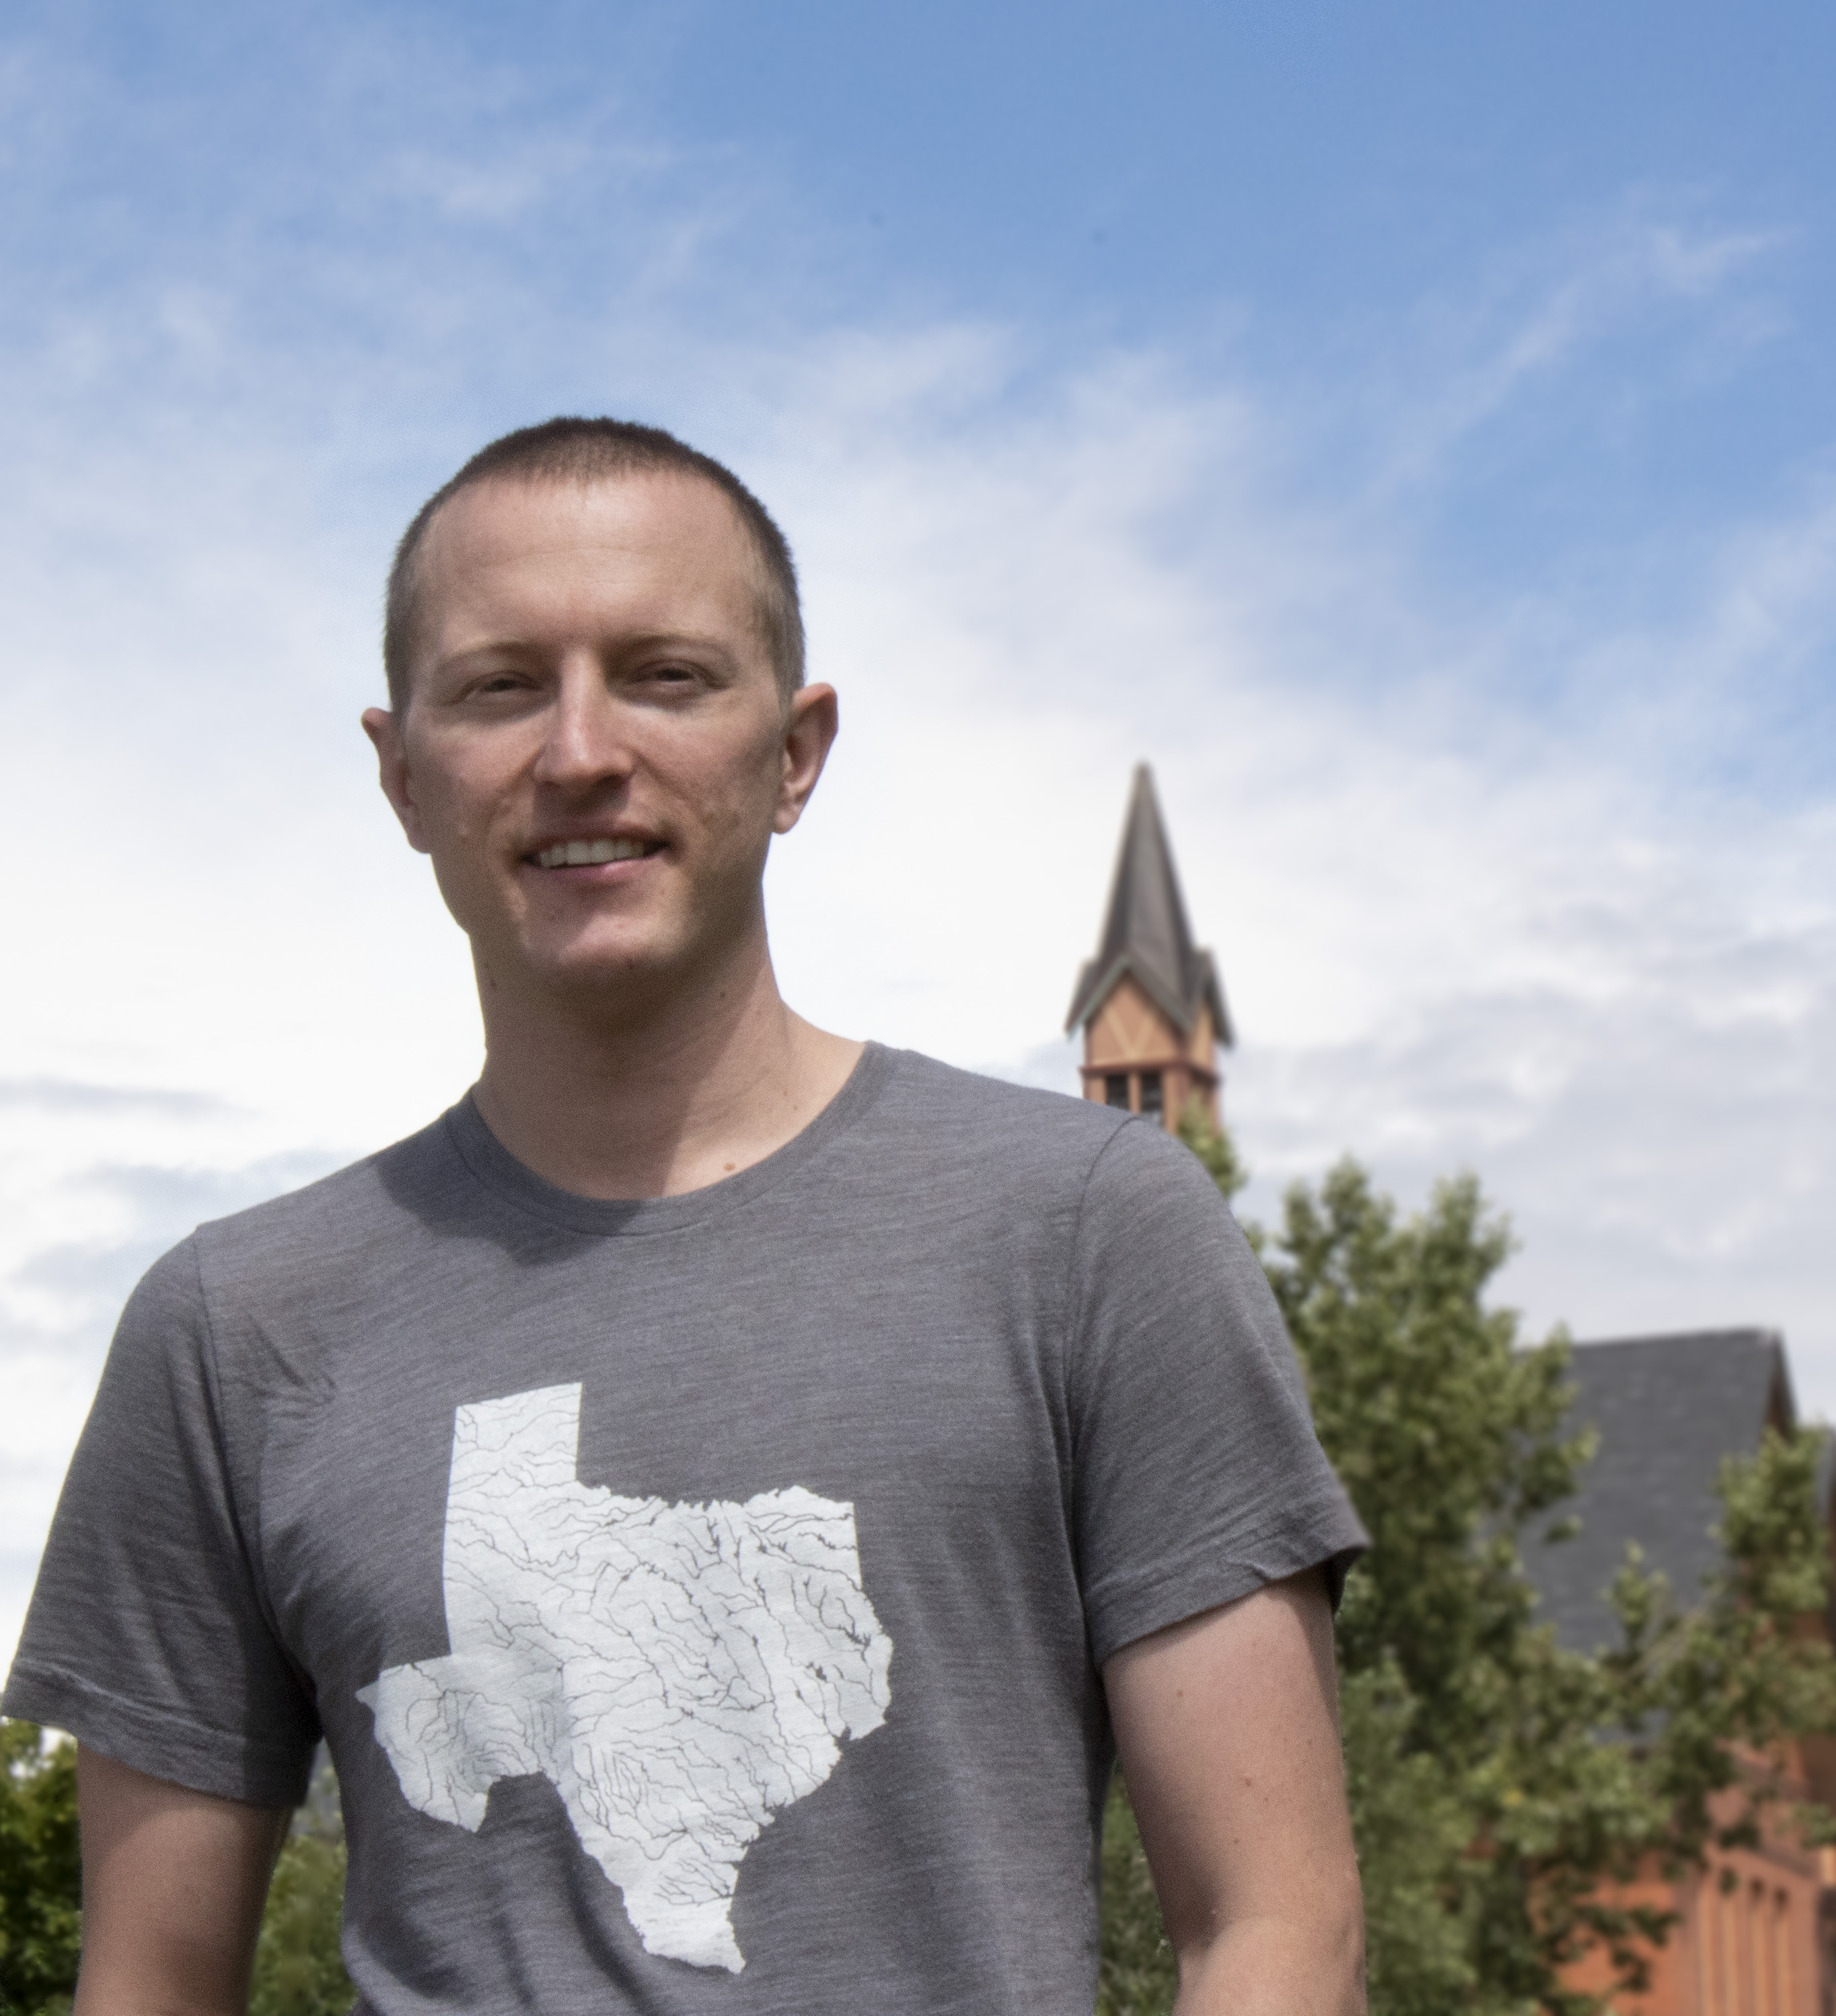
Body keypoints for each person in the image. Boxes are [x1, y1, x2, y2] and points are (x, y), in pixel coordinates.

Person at [5, 418, 1369, 2015]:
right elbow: (147, 1987)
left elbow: (1274, 1931)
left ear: (793, 753)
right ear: (401, 771)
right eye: (502, 684)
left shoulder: (1084, 1234)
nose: (580, 749)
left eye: (664, 675)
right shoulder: (236, 1331)